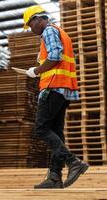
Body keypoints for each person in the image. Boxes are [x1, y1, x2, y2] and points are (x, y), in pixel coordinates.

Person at [23, 5, 89, 189]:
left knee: (41, 129)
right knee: (56, 132)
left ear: (38, 19)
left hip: (53, 86)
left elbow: (55, 57)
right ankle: (54, 177)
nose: (31, 29)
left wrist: (35, 71)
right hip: (64, 89)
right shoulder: (62, 33)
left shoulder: (49, 31)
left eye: (30, 25)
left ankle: (73, 162)